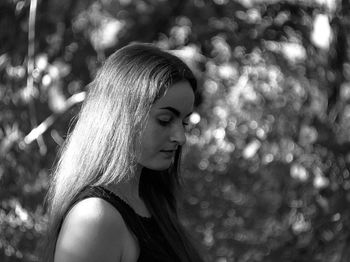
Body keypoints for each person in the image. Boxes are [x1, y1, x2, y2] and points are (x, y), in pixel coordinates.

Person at [43, 43, 204, 262]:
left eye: (184, 122)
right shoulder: (95, 218)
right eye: (165, 120)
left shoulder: (151, 200)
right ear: (121, 116)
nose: (181, 137)